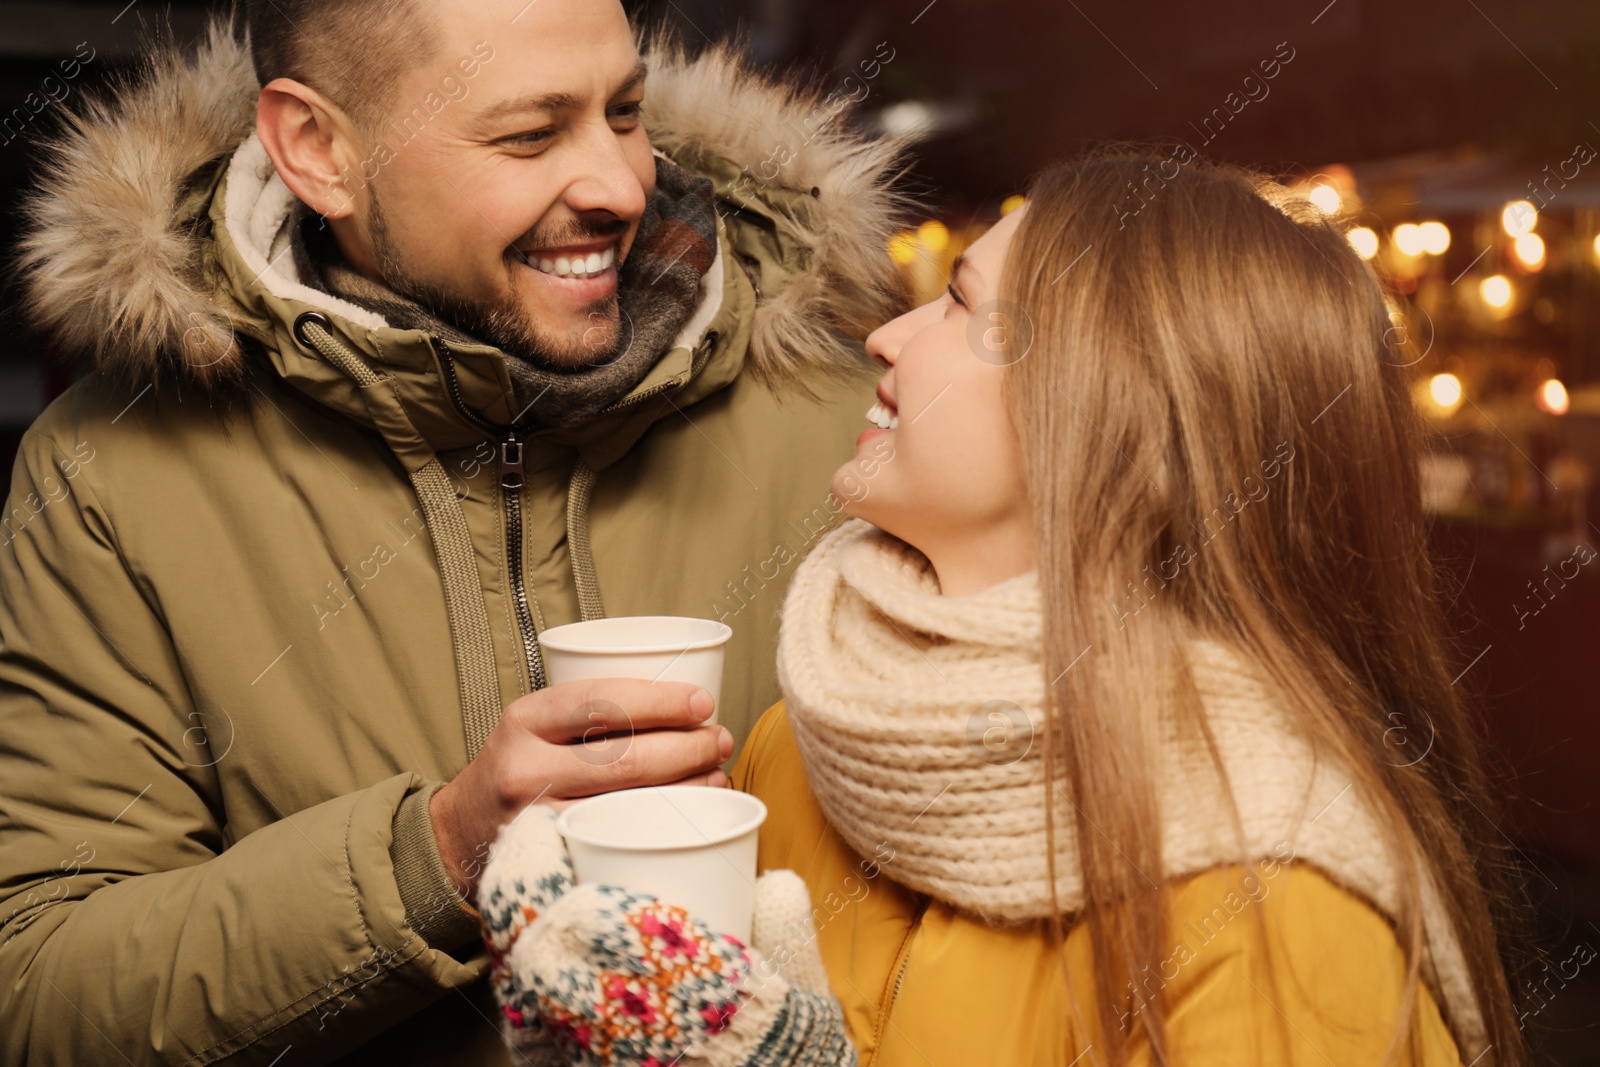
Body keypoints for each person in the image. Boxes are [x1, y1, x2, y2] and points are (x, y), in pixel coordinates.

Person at [0, 0, 909, 1061]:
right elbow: (38, 987)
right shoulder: (113, 476)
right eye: (528, 134)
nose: (622, 184)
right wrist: (436, 855)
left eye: (625, 110)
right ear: (318, 151)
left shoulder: (851, 431)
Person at [483, 149, 1528, 1066]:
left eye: (960, 305)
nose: (888, 336)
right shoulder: (798, 747)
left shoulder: (1277, 904)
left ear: (1113, 417)